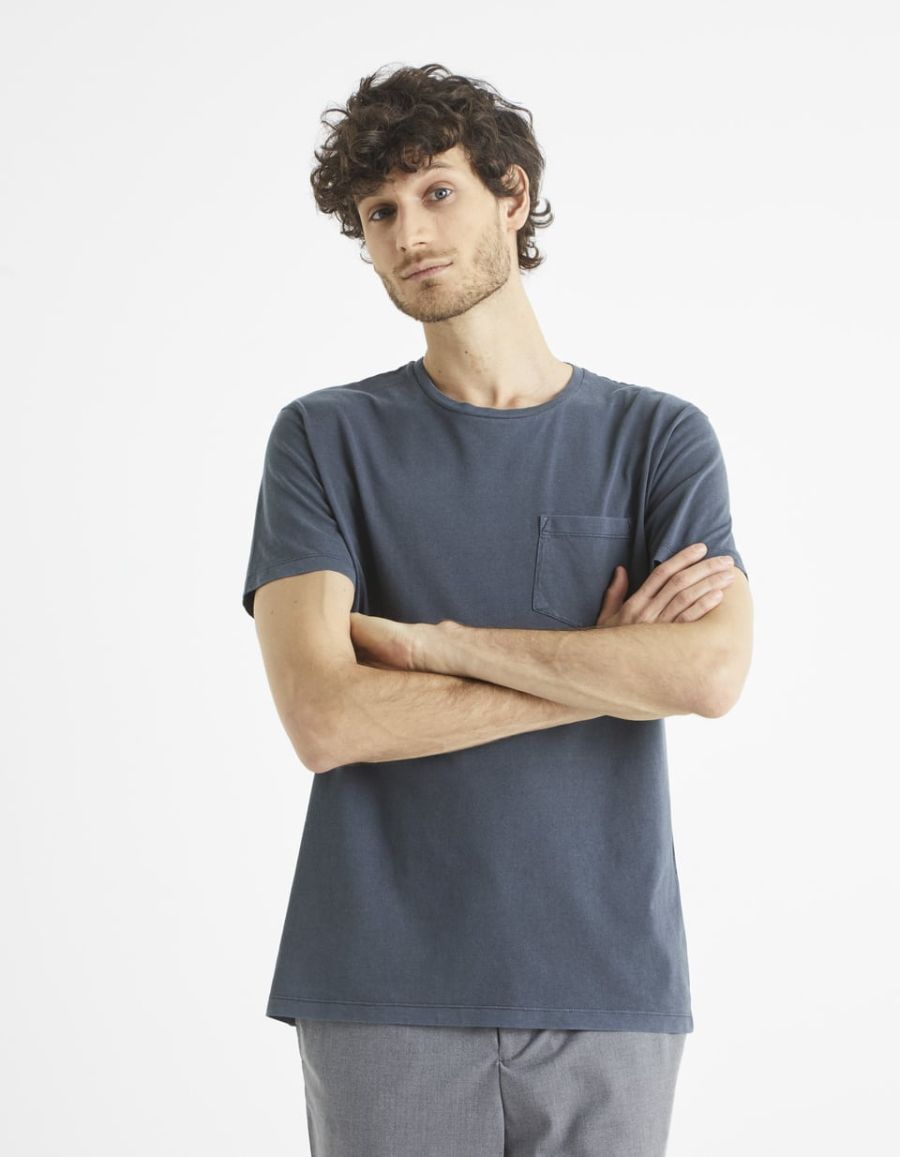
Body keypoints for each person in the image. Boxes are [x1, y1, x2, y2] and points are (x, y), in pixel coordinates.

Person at [241, 61, 753, 1157]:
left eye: (437, 191)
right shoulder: (322, 439)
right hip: (381, 982)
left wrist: (444, 647)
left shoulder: (658, 439)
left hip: (608, 981)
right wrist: (606, 667)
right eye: (380, 212)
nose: (408, 234)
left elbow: (708, 673)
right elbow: (326, 718)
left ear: (511, 195)